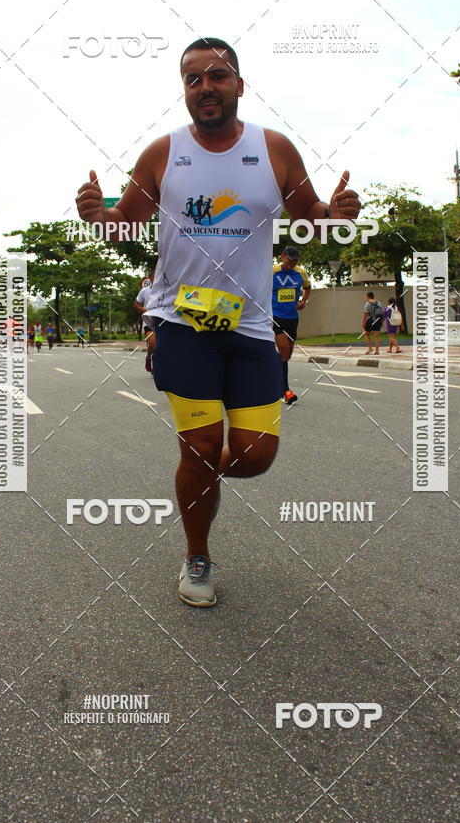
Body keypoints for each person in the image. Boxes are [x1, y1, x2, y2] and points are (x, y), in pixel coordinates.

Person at [76, 36, 361, 607]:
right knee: (201, 446)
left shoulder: (274, 148)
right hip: (182, 323)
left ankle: (197, 483)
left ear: (238, 84)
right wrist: (96, 213)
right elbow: (121, 224)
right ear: (184, 91)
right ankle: (197, 554)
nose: (205, 88)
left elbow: (313, 218)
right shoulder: (163, 153)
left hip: (252, 326)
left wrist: (338, 213)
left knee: (254, 455)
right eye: (192, 80)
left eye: (217, 76)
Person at [272, 246, 311, 405]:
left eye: (295, 262)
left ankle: (271, 372)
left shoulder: (300, 272)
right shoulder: (272, 271)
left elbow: (307, 288)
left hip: (292, 317)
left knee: (286, 356)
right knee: (283, 349)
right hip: (275, 315)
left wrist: (303, 301)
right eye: (289, 261)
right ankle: (285, 390)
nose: (291, 264)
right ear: (282, 257)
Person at [134, 278, 156, 372]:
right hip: (148, 321)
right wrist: (144, 310)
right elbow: (136, 304)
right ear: (151, 279)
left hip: (161, 321)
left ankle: (158, 366)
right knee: (152, 342)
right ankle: (148, 358)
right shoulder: (145, 291)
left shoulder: (165, 289)